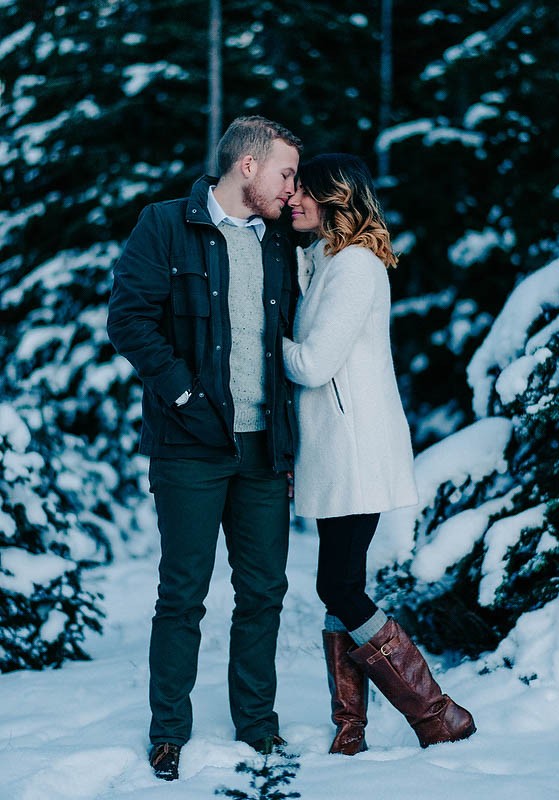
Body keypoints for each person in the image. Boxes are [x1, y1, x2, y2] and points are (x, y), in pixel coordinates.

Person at [107, 116, 302, 781]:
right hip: (188, 445)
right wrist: (185, 396)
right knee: (183, 592)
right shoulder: (165, 225)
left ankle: (257, 724)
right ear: (247, 167)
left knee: (264, 591)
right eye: (285, 172)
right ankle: (169, 732)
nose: (292, 188)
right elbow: (128, 319)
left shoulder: (280, 240)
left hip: (263, 449)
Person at [283, 154, 476, 756]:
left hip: (354, 452)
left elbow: (313, 364)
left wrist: (264, 342)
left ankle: (437, 711)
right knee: (341, 583)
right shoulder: (326, 261)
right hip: (338, 452)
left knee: (339, 587)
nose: (293, 198)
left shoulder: (357, 268)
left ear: (334, 197)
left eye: (304, 191)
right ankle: (350, 728)